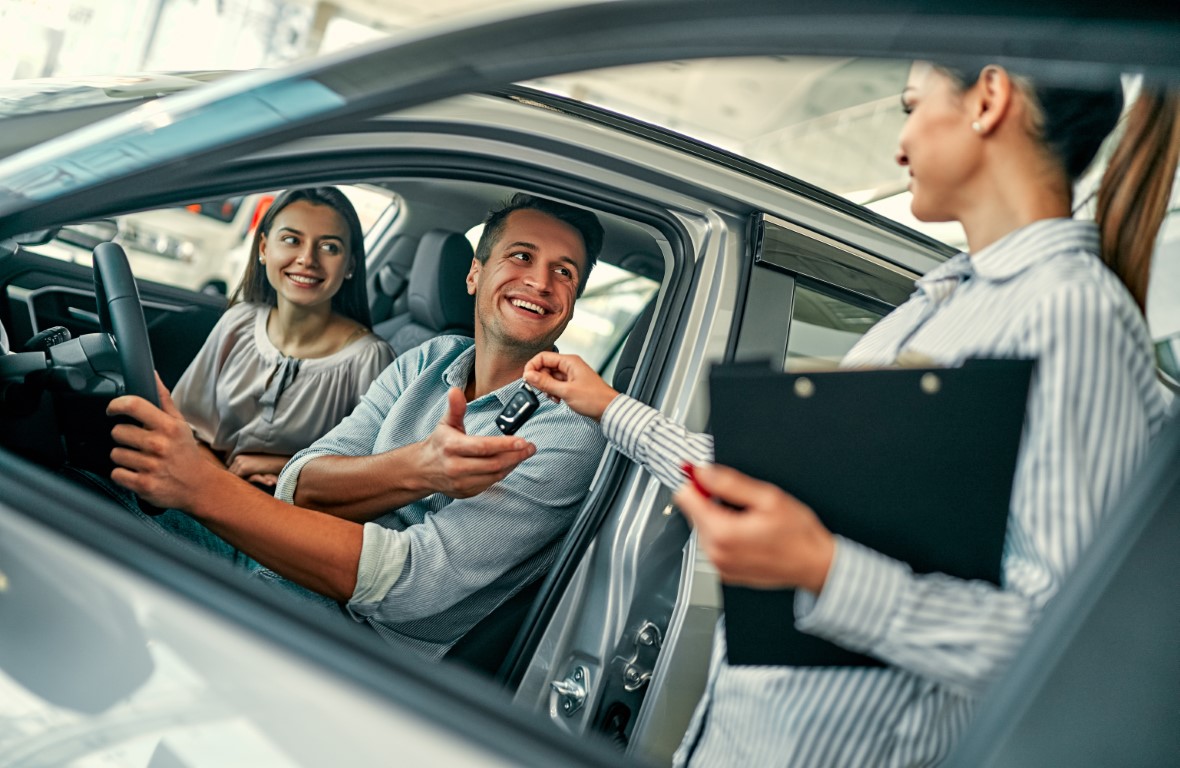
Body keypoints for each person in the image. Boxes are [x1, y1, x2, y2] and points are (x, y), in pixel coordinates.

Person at [525, 65, 1179, 766]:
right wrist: (609, 406)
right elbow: (790, 493)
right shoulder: (940, 306)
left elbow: (1068, 654)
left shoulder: (1071, 313)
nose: (898, 146)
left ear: (988, 100)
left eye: (910, 106)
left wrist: (823, 568)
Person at [107, 193, 607, 660]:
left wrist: (202, 487)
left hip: (352, 644)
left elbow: (408, 583)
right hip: (284, 570)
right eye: (521, 256)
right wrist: (419, 469)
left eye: (564, 272)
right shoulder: (429, 359)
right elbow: (301, 483)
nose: (541, 282)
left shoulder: (569, 430)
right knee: (99, 503)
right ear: (474, 274)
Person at [172, 186, 394, 488]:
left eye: (329, 247)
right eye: (291, 240)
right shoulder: (238, 323)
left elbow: (374, 474)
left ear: (351, 264)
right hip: (204, 489)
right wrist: (223, 482)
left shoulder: (369, 359)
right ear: (263, 248)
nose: (307, 259)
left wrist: (289, 468)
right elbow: (186, 429)